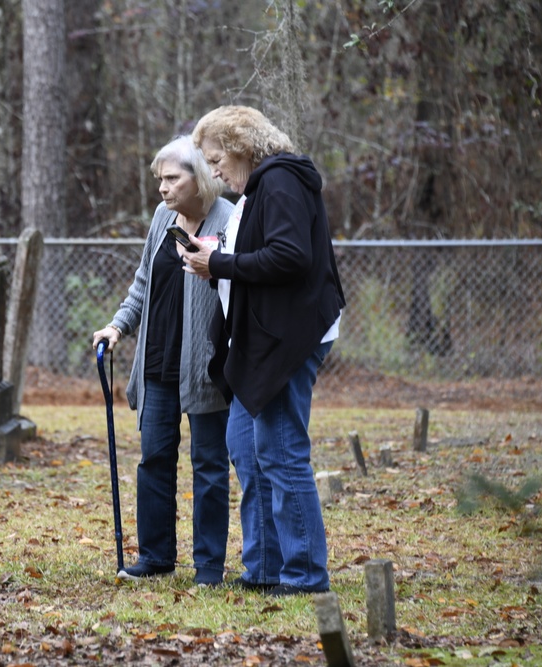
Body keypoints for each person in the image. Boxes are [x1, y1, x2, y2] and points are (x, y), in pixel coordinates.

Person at [181, 106, 346, 597]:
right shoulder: (260, 190)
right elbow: (264, 249)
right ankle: (267, 567)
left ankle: (304, 575)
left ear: (240, 147)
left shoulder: (280, 181)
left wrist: (222, 263)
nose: (212, 170)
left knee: (281, 452)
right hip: (259, 340)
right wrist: (215, 254)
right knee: (247, 449)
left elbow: (291, 256)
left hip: (287, 339)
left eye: (215, 159)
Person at [91, 135, 233, 587]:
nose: (163, 189)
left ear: (202, 177)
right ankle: (155, 556)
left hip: (206, 368)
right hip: (157, 364)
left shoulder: (229, 220)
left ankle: (209, 566)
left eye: (172, 178)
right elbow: (142, 282)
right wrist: (117, 326)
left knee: (209, 467)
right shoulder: (162, 218)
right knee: (153, 459)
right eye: (160, 180)